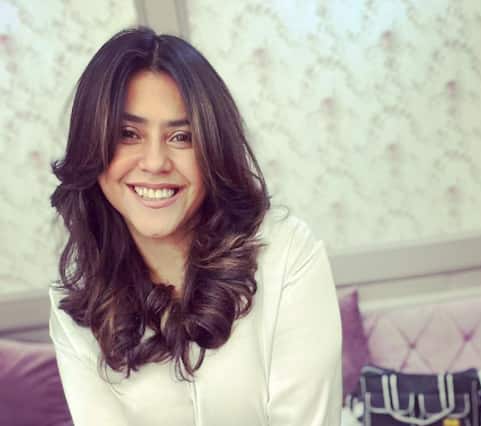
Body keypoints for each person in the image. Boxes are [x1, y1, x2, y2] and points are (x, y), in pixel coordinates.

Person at [48, 27, 342, 426]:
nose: (155, 162)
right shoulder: (75, 304)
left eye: (181, 136)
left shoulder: (288, 254)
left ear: (213, 150)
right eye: (128, 134)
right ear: (92, 147)